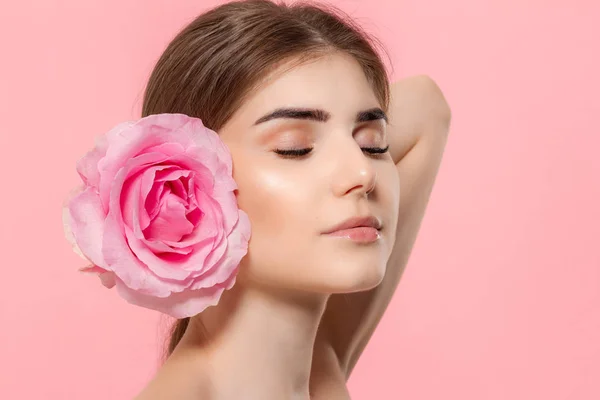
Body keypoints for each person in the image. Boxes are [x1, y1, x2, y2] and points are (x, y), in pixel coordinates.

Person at [133, 0, 451, 399]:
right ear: (190, 186)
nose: (363, 174)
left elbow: (427, 104)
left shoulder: (318, 362)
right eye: (295, 148)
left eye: (372, 143)